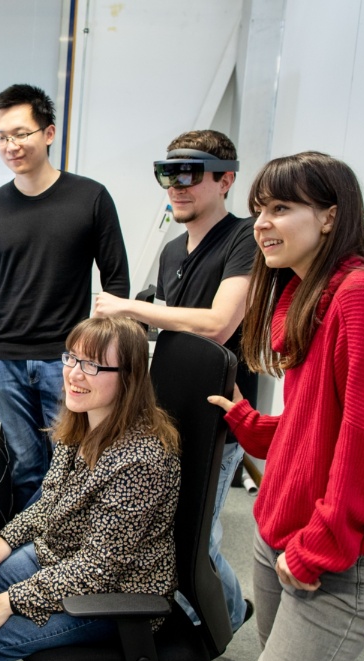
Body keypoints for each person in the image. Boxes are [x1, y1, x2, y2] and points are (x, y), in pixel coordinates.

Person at [208, 151, 364, 661]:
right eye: (258, 209)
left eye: (281, 207)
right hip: (281, 532)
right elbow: (321, 424)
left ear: (329, 216)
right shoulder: (310, 299)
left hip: (332, 557)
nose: (262, 224)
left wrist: (318, 545)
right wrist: (252, 424)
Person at [94, 129, 256, 632]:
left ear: (226, 179)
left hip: (217, 413)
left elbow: (219, 323)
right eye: (168, 175)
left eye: (191, 175)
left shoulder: (244, 238)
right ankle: (224, 611)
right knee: (176, 536)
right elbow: (171, 330)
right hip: (170, 413)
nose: (177, 187)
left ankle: (222, 620)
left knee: (196, 540)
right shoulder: (170, 252)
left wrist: (127, 305)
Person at [0, 316, 179, 661]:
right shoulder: (83, 420)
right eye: (71, 358)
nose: (74, 374)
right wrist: (8, 539)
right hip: (63, 556)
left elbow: (98, 569)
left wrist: (11, 601)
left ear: (129, 375)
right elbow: (50, 499)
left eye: (92, 365)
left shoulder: (141, 459)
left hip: (116, 597)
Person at [0, 83, 130, 514]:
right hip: (3, 363)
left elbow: (117, 283)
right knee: (25, 466)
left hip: (68, 361)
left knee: (73, 466)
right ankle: (27, 557)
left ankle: (61, 557)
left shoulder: (90, 198)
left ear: (49, 133)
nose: (10, 145)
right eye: (1, 136)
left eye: (21, 133)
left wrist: (106, 357)